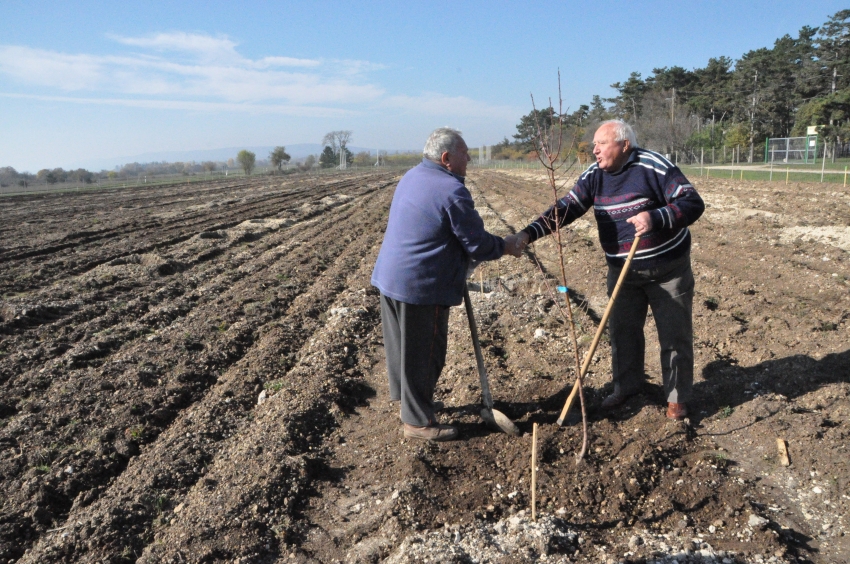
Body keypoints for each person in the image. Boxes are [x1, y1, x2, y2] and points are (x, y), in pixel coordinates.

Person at [514, 120, 704, 420]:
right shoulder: (595, 176)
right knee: (622, 332)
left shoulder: (653, 166)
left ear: (624, 145)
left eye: (601, 143)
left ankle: (676, 399)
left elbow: (692, 202)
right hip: (623, 270)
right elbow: (567, 207)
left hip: (668, 268)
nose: (595, 150)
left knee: (674, 333)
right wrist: (527, 234)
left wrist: (656, 217)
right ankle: (627, 387)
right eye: (594, 145)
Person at [371, 127, 525, 441]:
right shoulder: (450, 189)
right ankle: (417, 423)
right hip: (421, 284)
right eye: (464, 153)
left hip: (391, 275)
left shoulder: (413, 176)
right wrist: (506, 245)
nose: (469, 158)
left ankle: (411, 403)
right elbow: (477, 244)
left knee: (403, 348)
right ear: (446, 158)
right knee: (425, 353)